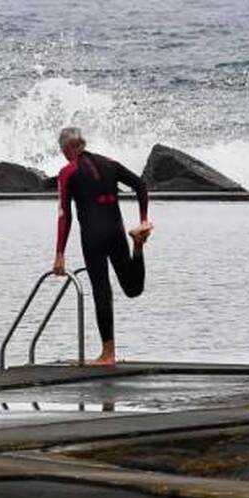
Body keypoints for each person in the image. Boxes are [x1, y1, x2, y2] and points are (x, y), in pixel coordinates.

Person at [53, 126, 153, 366]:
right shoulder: (109, 163)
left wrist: (60, 254)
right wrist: (143, 218)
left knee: (101, 292)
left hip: (93, 237)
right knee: (132, 289)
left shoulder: (67, 172)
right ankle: (137, 245)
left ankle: (108, 354)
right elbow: (140, 185)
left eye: (62, 150)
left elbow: (64, 214)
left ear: (67, 149)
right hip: (117, 233)